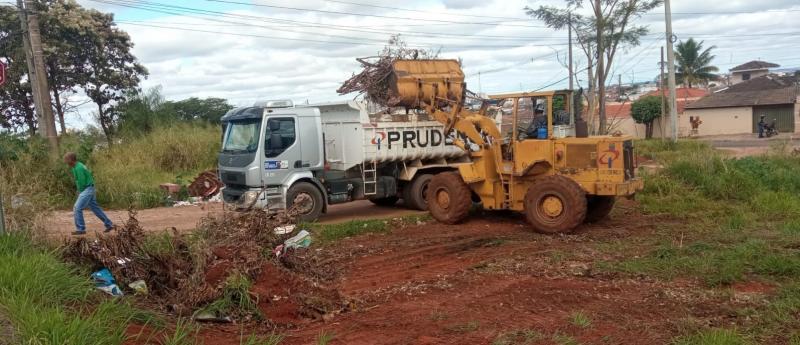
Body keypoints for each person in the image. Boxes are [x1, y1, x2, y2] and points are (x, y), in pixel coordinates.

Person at [64, 152, 114, 235]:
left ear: (71, 160)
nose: (65, 162)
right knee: (95, 208)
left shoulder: (79, 167)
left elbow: (82, 182)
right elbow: (78, 181)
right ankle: (109, 224)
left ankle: (81, 229)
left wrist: (80, 192)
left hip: (87, 189)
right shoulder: (76, 166)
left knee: (77, 208)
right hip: (89, 188)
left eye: (66, 160)